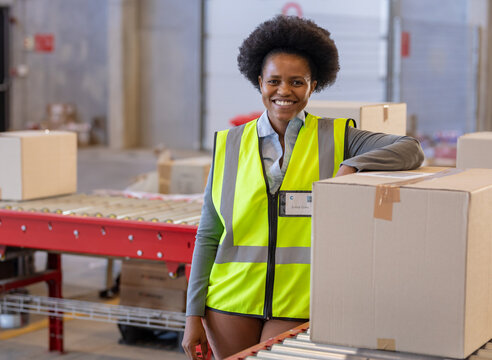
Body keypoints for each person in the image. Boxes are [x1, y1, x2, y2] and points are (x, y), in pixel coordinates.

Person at [182, 15, 424, 360]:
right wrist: (192, 315)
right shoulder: (229, 143)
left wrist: (354, 165)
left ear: (314, 85)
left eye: (297, 82)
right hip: (228, 301)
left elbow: (410, 148)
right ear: (259, 82)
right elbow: (209, 234)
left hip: (299, 301)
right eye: (274, 81)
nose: (284, 91)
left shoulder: (338, 136)